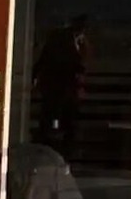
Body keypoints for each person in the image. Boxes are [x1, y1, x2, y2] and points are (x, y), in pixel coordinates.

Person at [32, 14, 89, 159]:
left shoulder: (77, 40)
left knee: (63, 120)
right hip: (57, 87)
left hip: (65, 89)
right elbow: (49, 59)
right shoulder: (61, 39)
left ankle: (60, 151)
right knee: (52, 118)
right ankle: (49, 150)